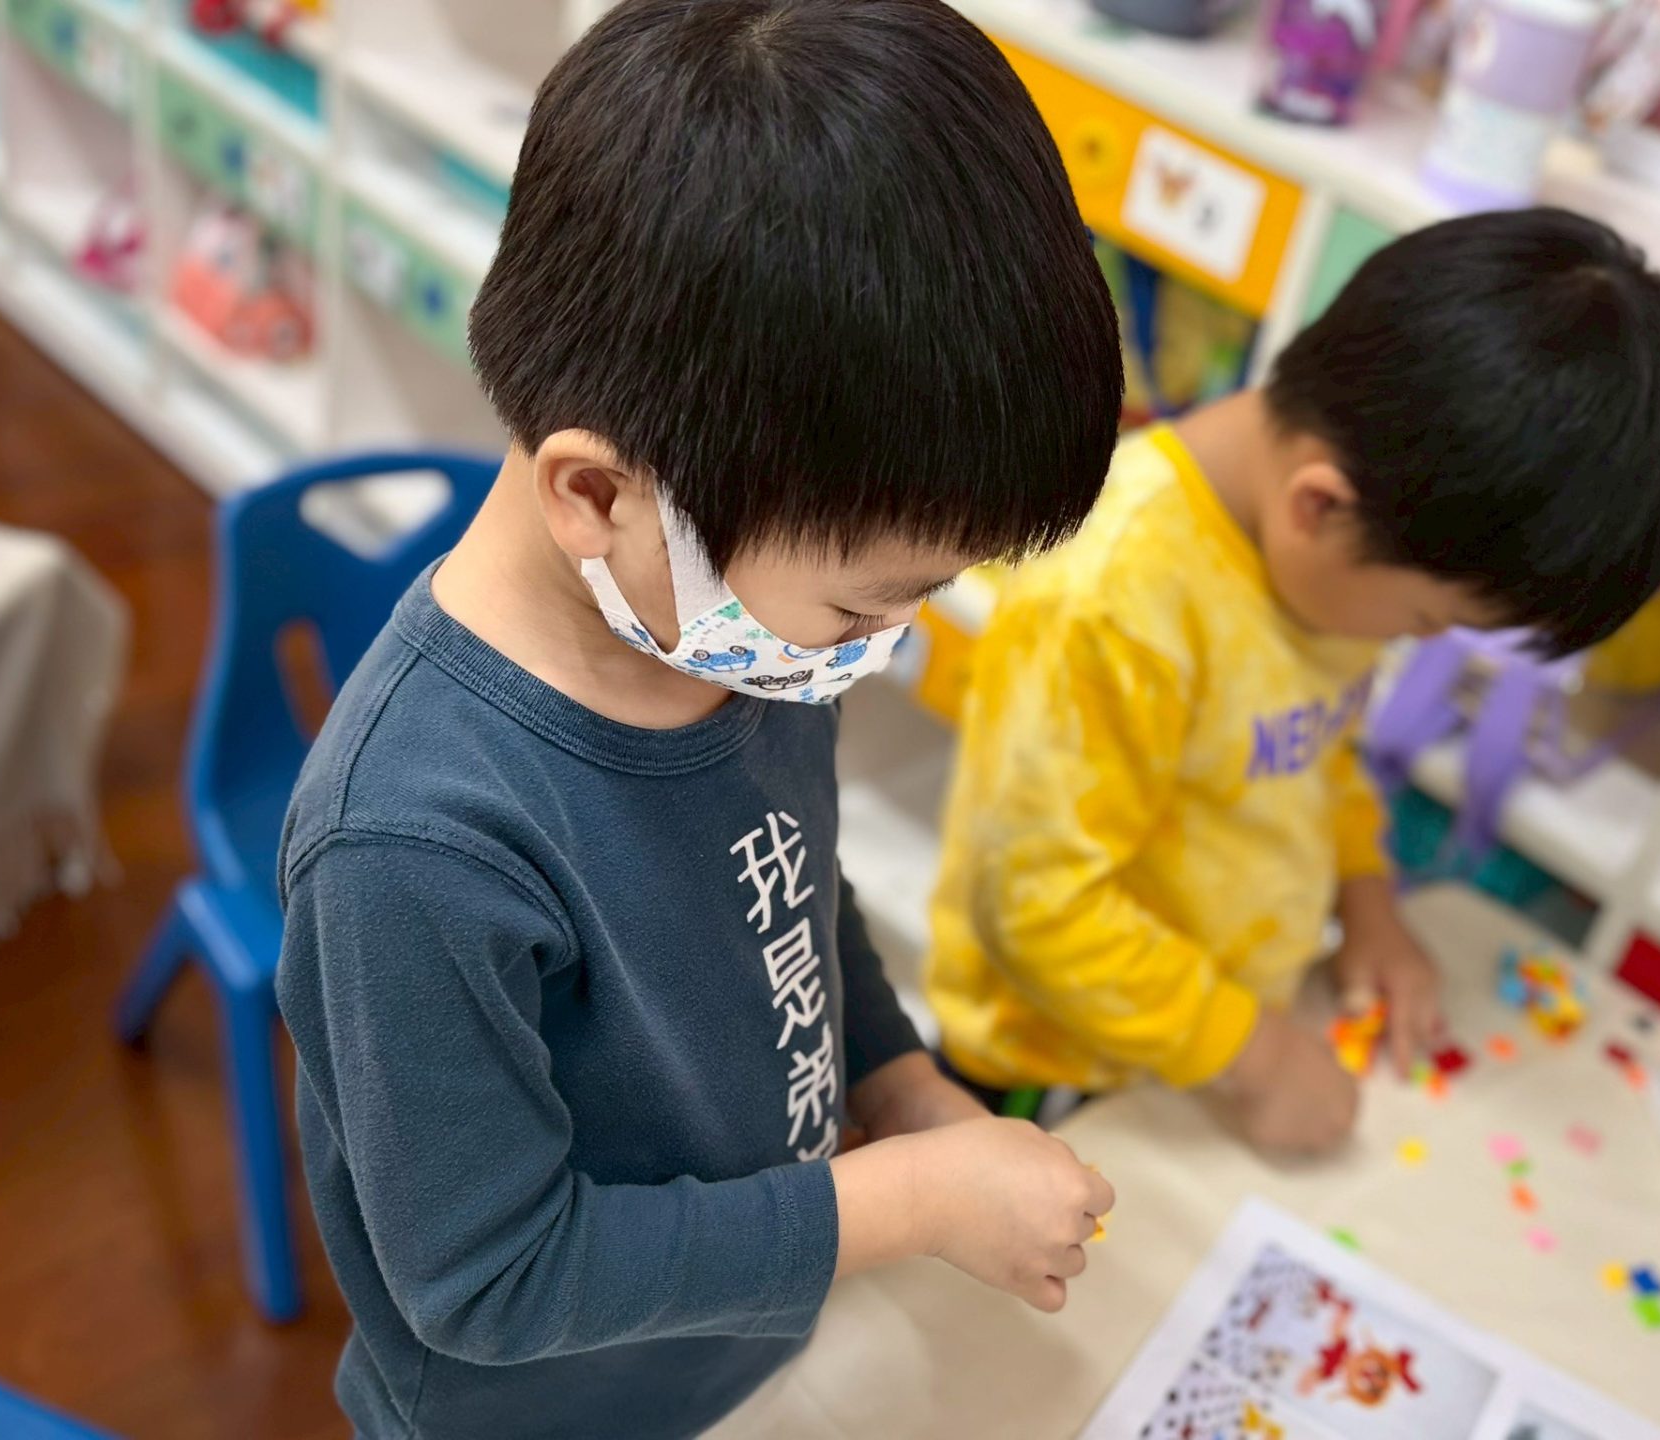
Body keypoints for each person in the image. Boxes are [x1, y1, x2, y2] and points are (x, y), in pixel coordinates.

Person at [270, 0, 1125, 1433]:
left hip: (751, 1347)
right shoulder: (409, 848)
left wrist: (899, 1084)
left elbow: (792, 891)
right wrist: (905, 1200)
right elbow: (487, 1281)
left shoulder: (737, 641)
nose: (877, 650)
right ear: (599, 495)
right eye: (859, 608)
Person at [926, 207, 1660, 1154]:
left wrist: (1367, 901)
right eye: (1427, 622)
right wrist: (1254, 1056)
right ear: (1320, 508)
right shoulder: (1108, 601)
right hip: (1053, 1068)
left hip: (1219, 1039)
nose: (1412, 642)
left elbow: (1318, 748)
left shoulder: (1324, 564)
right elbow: (1034, 906)